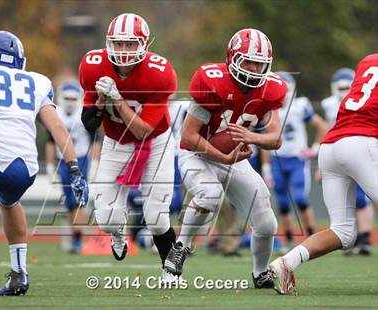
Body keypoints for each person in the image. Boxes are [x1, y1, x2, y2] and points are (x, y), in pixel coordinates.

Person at [0, 31, 88, 296]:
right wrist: (75, 169)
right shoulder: (37, 81)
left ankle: (19, 274)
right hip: (24, 167)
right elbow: (57, 128)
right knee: (9, 202)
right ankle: (19, 274)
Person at [163, 28, 287, 288]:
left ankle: (260, 273)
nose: (254, 69)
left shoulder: (272, 87)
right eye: (248, 61)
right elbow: (188, 137)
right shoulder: (212, 80)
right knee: (210, 195)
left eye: (259, 63)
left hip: (233, 158)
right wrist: (224, 156)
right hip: (196, 154)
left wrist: (251, 138)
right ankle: (180, 248)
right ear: (232, 58)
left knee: (266, 221)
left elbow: (275, 138)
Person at [78, 13, 178, 281]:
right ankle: (119, 230)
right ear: (109, 42)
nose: (123, 51)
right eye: (118, 43)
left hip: (155, 142)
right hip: (115, 141)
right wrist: (100, 101)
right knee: (106, 219)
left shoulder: (160, 73)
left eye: (130, 44)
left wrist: (117, 99)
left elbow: (144, 131)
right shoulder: (92, 65)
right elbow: (89, 123)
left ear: (144, 44)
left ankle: (171, 269)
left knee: (156, 217)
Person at [269, 54, 378, 295]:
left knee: (343, 232)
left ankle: (287, 263)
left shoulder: (368, 61)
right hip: (362, 143)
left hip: (331, 146)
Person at [267, 71, 328, 253]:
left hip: (296, 160)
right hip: (277, 159)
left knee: (300, 198)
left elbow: (322, 125)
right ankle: (289, 240)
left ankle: (311, 238)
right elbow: (264, 139)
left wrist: (315, 148)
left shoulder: (300, 106)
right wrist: (266, 167)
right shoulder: (269, 108)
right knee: (283, 203)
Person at [320, 68, 374, 256]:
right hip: (342, 148)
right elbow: (327, 127)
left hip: (350, 149)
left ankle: (364, 236)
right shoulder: (328, 104)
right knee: (350, 202)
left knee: (362, 197)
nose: (343, 90)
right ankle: (355, 237)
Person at [45, 80, 94, 253]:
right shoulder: (54, 112)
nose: (70, 101)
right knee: (69, 202)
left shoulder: (84, 112)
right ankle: (75, 236)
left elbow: (96, 138)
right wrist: (50, 165)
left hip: (81, 159)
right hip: (62, 160)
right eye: (67, 98)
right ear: (60, 97)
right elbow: (50, 140)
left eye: (73, 98)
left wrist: (94, 162)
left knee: (78, 200)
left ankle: (78, 237)